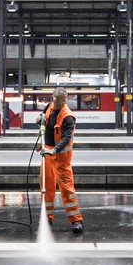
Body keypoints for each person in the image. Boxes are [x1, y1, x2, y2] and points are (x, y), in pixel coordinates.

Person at [38, 86, 84, 233]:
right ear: (53, 98)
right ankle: (47, 218)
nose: (61, 104)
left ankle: (76, 220)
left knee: (67, 190)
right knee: (46, 188)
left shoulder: (68, 117)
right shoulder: (49, 107)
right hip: (47, 155)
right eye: (58, 101)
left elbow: (66, 138)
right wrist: (40, 119)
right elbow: (44, 120)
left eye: (63, 101)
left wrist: (54, 150)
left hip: (61, 159)